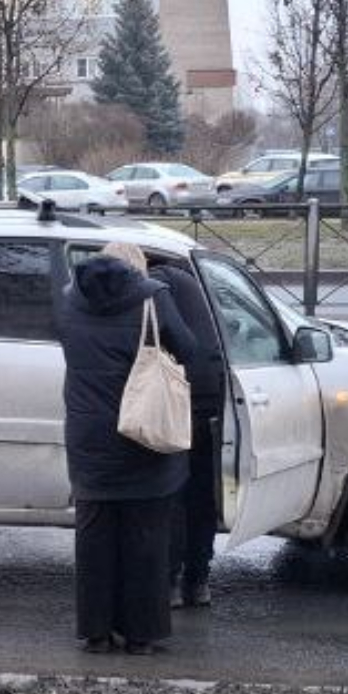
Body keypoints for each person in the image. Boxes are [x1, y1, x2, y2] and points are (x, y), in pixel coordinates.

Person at [56, 241, 199, 656]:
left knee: (94, 537)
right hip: (143, 434)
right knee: (146, 538)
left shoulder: (68, 301)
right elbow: (188, 349)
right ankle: (141, 635)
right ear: (136, 268)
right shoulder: (153, 298)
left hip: (87, 439)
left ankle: (96, 632)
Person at [149, 257, 225, 610]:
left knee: (174, 494)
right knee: (201, 495)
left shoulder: (157, 281)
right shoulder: (195, 285)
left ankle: (172, 581)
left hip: (179, 396)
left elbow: (176, 338)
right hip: (210, 394)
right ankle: (199, 579)